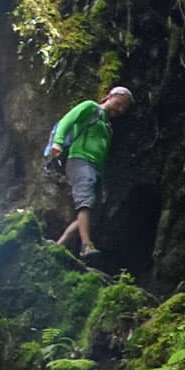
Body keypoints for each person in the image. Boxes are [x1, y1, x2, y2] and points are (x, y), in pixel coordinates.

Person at [47, 85, 133, 258]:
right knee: (85, 201)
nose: (121, 109)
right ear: (110, 96)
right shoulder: (91, 107)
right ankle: (86, 245)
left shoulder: (107, 125)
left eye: (125, 107)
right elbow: (67, 120)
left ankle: (60, 245)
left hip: (94, 168)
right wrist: (58, 142)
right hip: (79, 159)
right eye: (120, 103)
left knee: (92, 213)